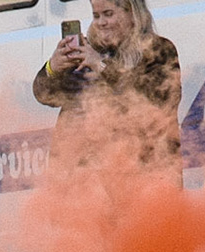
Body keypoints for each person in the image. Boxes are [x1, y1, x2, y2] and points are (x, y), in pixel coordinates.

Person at [32, 0, 180, 162]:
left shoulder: (158, 50)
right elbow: (45, 95)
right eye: (96, 16)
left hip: (140, 169)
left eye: (108, 14)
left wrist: (100, 65)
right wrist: (53, 68)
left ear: (132, 14)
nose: (101, 23)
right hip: (81, 173)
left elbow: (151, 103)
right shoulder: (87, 51)